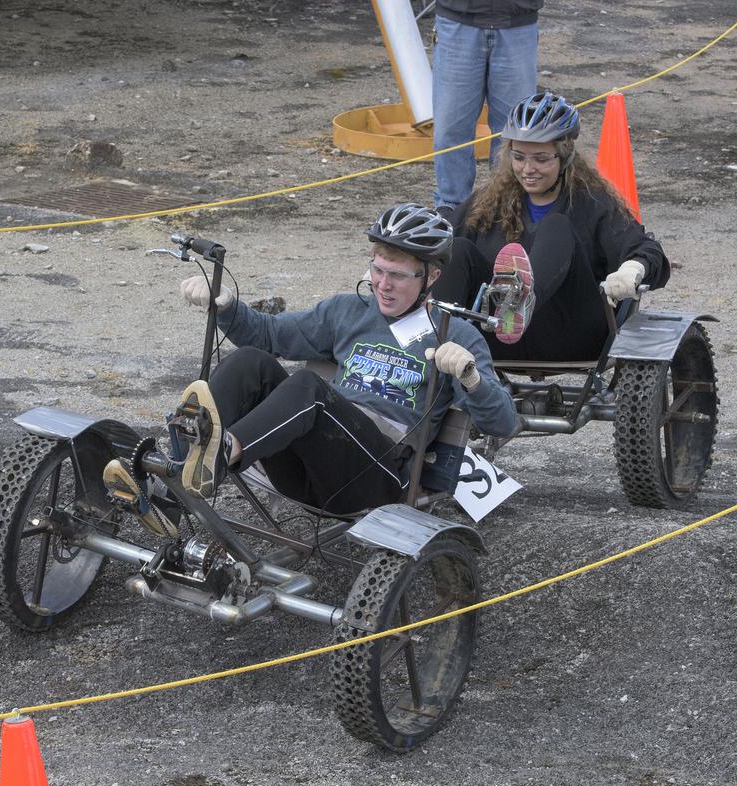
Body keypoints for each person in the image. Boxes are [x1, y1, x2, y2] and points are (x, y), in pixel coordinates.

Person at [105, 204, 519, 524]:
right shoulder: (348, 311)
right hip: (309, 466)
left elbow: (503, 424)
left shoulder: (457, 334)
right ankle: (171, 476)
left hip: (376, 478)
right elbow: (268, 334)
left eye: (398, 275)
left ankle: (215, 457)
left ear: (431, 278)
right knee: (252, 361)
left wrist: (471, 378)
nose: (383, 284)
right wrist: (228, 308)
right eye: (377, 269)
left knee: (309, 388)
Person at [431, 91, 671, 363]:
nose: (527, 169)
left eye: (542, 159)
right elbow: (440, 235)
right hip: (496, 334)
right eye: (519, 157)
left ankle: (522, 301)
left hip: (569, 334)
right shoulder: (490, 201)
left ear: (564, 156)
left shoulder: (592, 203)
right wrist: (399, 261)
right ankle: (435, 340)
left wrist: (632, 269)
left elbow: (646, 249)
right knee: (457, 248)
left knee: (555, 227)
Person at [431, 0, 542, 219]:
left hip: (518, 24)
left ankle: (507, 204)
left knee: (515, 130)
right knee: (450, 128)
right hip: (457, 22)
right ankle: (451, 209)